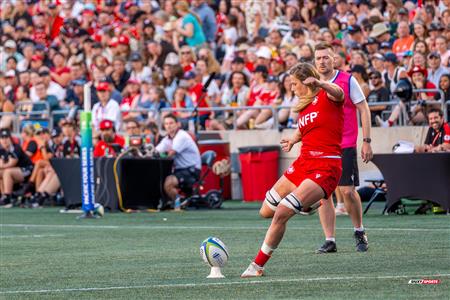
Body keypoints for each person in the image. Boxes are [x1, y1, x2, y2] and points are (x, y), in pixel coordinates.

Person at [241, 62, 344, 278]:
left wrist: (321, 83)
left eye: (294, 83)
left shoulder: (328, 96)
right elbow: (304, 129)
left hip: (325, 165)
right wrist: (293, 140)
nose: (292, 88)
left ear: (308, 81)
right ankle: (307, 205)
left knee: (282, 213)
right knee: (265, 211)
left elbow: (339, 92)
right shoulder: (304, 106)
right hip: (302, 163)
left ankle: (257, 265)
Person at [313, 42, 373, 253]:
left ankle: (359, 231)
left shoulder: (348, 80)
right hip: (321, 146)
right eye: (318, 58)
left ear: (334, 59)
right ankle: (330, 240)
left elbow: (364, 109)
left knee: (347, 191)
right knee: (323, 194)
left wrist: (366, 140)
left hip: (345, 144)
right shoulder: (312, 84)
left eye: (325, 57)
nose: (322, 61)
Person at [155, 114, 201, 209]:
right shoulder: (167, 139)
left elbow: (171, 154)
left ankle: (178, 203)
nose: (169, 126)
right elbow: (156, 151)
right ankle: (171, 201)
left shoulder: (182, 136)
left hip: (191, 170)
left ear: (178, 124)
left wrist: (160, 154)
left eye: (171, 123)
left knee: (169, 183)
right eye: (166, 124)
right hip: (180, 170)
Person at [0, 128, 34, 207]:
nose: (4, 140)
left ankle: (7, 197)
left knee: (7, 172)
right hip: (16, 171)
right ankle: (3, 196)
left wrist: (2, 165)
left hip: (27, 170)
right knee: (2, 173)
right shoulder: (1, 150)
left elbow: (11, 163)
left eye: (6, 137)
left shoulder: (15, 147)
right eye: (2, 138)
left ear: (10, 138)